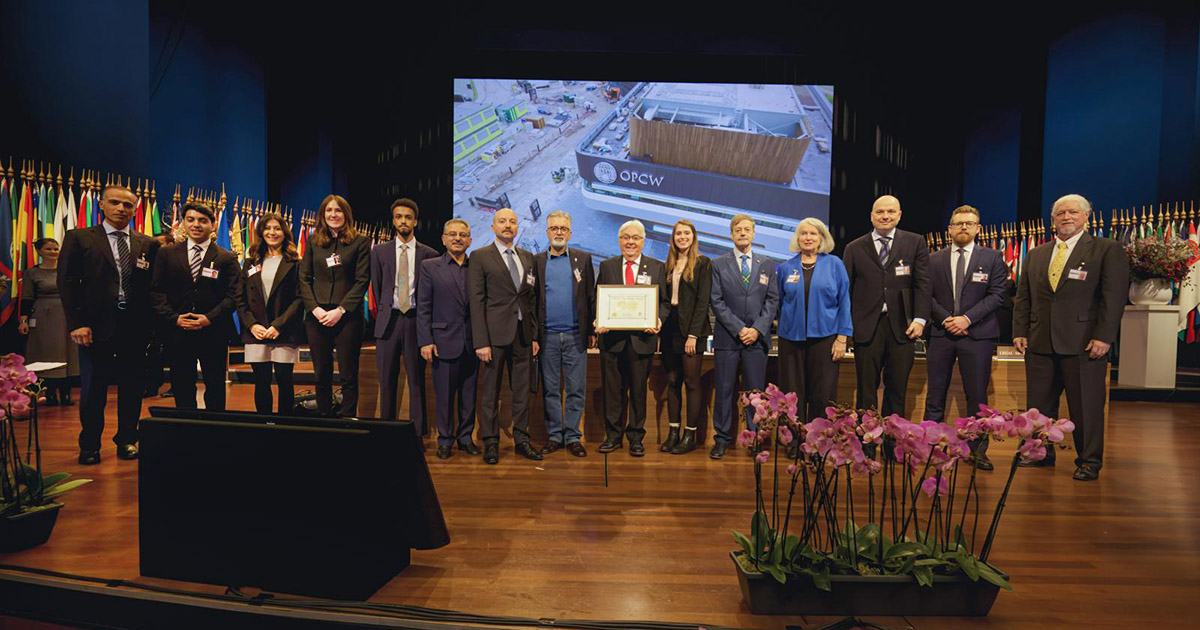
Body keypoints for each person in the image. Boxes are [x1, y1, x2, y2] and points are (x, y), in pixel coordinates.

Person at [1013, 194, 1129, 481]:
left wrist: (1104, 336)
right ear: (1052, 220)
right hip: (1039, 342)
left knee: (1086, 407)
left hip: (1084, 344)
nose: (1066, 217)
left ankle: (1089, 461)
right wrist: (1019, 331)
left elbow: (1113, 299)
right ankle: (1040, 453)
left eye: (1073, 212)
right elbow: (1023, 297)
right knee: (1039, 408)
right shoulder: (1037, 253)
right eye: (1060, 213)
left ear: (1086, 217)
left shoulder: (1106, 250)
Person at [58, 184, 161, 464]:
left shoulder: (148, 244)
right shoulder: (80, 238)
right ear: (101, 205)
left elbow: (154, 287)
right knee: (94, 389)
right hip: (94, 327)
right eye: (114, 203)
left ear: (135, 209)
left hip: (135, 328)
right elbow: (67, 283)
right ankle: (90, 445)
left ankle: (127, 440)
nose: (121, 209)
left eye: (127, 205)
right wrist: (76, 323)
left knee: (132, 387)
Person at [923, 205, 1009, 470]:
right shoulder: (933, 258)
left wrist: (966, 319)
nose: (963, 227)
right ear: (949, 228)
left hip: (978, 334)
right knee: (935, 394)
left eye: (969, 223)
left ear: (977, 228)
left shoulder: (993, 257)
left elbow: (997, 295)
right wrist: (946, 319)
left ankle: (978, 451)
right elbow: (925, 295)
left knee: (977, 396)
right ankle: (929, 449)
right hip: (941, 332)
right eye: (958, 223)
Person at [843, 195, 930, 418]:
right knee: (866, 391)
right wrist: (847, 327)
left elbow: (923, 284)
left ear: (899, 215)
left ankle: (894, 446)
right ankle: (866, 443)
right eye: (880, 212)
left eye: (891, 212)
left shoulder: (915, 242)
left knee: (897, 390)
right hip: (866, 327)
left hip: (903, 328)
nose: (885, 216)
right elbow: (846, 292)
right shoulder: (854, 248)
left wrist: (920, 319)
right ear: (871, 216)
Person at [150, 202, 241, 411]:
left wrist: (209, 318)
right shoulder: (166, 254)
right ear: (183, 223)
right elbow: (156, 291)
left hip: (213, 331)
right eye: (191, 220)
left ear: (213, 225)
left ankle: (214, 429)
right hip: (177, 331)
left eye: (203, 221)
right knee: (182, 385)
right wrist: (174, 318)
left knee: (215, 385)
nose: (196, 225)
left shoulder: (227, 257)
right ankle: (186, 430)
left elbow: (234, 295)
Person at [468, 208, 542, 464]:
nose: (508, 225)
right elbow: (476, 302)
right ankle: (490, 441)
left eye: (512, 221)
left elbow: (530, 299)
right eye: (502, 221)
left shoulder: (527, 257)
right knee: (490, 392)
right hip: (493, 338)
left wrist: (533, 336)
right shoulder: (479, 256)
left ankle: (522, 439)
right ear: (493, 226)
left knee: (522, 392)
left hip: (522, 336)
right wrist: (481, 341)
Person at [595, 219, 669, 457]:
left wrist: (658, 320)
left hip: (641, 341)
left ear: (643, 241)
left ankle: (636, 438)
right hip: (612, 342)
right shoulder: (607, 266)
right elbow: (598, 299)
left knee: (638, 391)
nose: (630, 242)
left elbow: (665, 303)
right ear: (619, 241)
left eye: (635, 238)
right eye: (625, 237)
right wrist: (598, 319)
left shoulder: (656, 267)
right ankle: (613, 437)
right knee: (613, 391)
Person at [709, 215, 779, 459]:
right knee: (725, 390)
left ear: (753, 233)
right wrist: (739, 329)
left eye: (746, 229)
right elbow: (716, 301)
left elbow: (772, 300)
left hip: (756, 340)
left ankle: (755, 438)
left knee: (755, 393)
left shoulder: (767, 264)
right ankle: (722, 439)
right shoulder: (718, 264)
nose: (742, 233)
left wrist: (757, 329)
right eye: (737, 230)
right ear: (731, 234)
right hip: (728, 339)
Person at [299, 194, 371, 417]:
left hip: (347, 317)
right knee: (321, 372)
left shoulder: (360, 241)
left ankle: (348, 419)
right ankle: (325, 419)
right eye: (329, 210)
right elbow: (303, 277)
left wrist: (340, 311)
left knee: (348, 374)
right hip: (317, 315)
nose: (333, 214)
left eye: (338, 210)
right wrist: (315, 308)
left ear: (346, 214)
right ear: (323, 214)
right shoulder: (313, 241)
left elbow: (362, 280)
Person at [775, 218, 851, 424]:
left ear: (821, 239)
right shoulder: (785, 268)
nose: (808, 238)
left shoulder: (835, 264)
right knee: (792, 393)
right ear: (797, 238)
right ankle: (793, 438)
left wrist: (842, 337)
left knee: (823, 393)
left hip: (825, 338)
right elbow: (779, 303)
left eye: (813, 234)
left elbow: (844, 301)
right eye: (803, 233)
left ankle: (818, 441)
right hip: (791, 339)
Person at [370, 198, 436, 432]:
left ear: (415, 221)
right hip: (389, 322)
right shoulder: (379, 252)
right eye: (399, 217)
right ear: (393, 221)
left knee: (417, 381)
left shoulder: (429, 254)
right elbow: (377, 289)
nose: (403, 221)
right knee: (386, 380)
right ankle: (387, 431)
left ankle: (417, 434)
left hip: (416, 322)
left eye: (408, 217)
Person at [533, 211, 595, 458]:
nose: (558, 232)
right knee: (550, 390)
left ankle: (572, 437)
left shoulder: (583, 258)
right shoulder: (536, 261)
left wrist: (590, 330)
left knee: (576, 389)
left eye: (563, 228)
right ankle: (554, 436)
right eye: (554, 228)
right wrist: (534, 336)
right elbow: (532, 299)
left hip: (574, 337)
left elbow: (590, 296)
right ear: (547, 232)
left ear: (570, 232)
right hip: (547, 336)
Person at [418, 219, 480, 459]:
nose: (458, 238)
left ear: (470, 241)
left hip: (473, 342)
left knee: (469, 394)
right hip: (442, 342)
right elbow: (423, 306)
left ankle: (466, 439)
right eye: (452, 234)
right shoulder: (429, 266)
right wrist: (425, 340)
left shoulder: (477, 266)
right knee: (444, 395)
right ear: (443, 239)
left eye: (463, 235)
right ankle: (445, 440)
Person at [237, 212, 303, 414]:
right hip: (256, 331)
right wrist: (252, 325)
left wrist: (278, 326)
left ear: (284, 233)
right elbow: (240, 299)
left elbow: (300, 299)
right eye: (267, 228)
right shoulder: (250, 262)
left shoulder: (295, 262)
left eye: (277, 228)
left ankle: (285, 425)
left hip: (283, 330)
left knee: (284, 380)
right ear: (261, 232)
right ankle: (263, 423)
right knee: (261, 381)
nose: (272, 232)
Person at [660, 219, 711, 454]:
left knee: (691, 383)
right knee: (672, 381)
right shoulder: (668, 264)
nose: (682, 237)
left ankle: (690, 435)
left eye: (686, 233)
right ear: (673, 238)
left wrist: (693, 334)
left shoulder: (702, 263)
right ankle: (673, 433)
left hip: (692, 330)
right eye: (678, 233)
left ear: (693, 236)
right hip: (670, 328)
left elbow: (703, 302)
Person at [18, 238, 79, 405]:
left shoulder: (67, 270)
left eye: (56, 249)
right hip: (43, 317)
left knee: (67, 353)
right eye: (49, 249)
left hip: (66, 315)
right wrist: (24, 320)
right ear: (39, 251)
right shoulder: (32, 273)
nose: (53, 252)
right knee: (46, 353)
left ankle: (66, 394)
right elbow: (27, 298)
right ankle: (49, 393)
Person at [143, 230, 177, 398]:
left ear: (170, 245)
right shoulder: (148, 262)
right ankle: (151, 385)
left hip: (173, 314)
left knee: (174, 352)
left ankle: (176, 386)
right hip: (151, 314)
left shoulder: (176, 262)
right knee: (152, 352)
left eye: (160, 244)